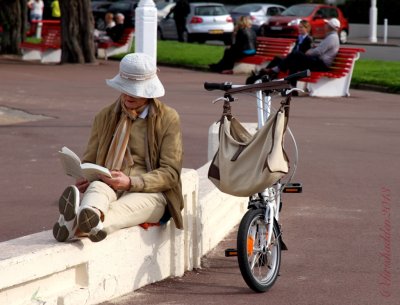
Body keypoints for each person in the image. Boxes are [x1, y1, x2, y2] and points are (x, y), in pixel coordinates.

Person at [52, 53, 184, 243]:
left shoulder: (168, 118)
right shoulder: (105, 115)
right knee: (97, 188)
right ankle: (88, 217)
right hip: (108, 183)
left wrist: (131, 182)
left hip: (150, 192)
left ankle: (75, 226)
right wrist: (84, 176)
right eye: (125, 88)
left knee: (123, 209)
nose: (128, 95)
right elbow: (89, 159)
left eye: (135, 91)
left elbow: (171, 173)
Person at [262, 18, 341, 85]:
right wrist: (311, 50)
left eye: (327, 24)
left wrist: (309, 52)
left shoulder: (332, 38)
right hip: (319, 62)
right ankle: (291, 88)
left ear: (330, 27)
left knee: (296, 53)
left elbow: (318, 52)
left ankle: (275, 70)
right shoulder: (331, 37)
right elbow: (319, 50)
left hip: (321, 64)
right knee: (294, 62)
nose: (325, 25)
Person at [246, 20, 313, 84]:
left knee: (291, 63)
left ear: (307, 28)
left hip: (300, 61)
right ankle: (264, 74)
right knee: (278, 58)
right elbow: (294, 51)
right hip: (293, 58)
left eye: (301, 27)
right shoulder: (299, 38)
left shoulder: (308, 39)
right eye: (299, 27)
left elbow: (304, 54)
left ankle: (270, 72)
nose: (299, 29)